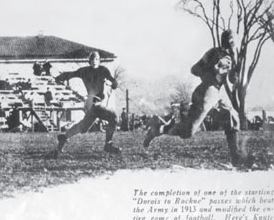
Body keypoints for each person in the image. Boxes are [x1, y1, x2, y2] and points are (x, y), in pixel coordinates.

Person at [144, 30, 246, 167]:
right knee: (188, 131)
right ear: (229, 41)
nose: (234, 45)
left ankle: (235, 156)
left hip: (215, 92)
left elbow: (230, 79)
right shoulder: (215, 54)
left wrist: (233, 72)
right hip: (206, 92)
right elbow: (195, 69)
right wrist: (211, 67)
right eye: (233, 41)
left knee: (231, 116)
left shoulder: (228, 56)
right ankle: (157, 129)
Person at [54, 51, 120, 154]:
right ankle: (108, 144)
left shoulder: (104, 70)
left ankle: (64, 137)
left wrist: (111, 83)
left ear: (99, 61)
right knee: (113, 117)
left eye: (96, 59)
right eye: (92, 59)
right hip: (92, 103)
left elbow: (115, 83)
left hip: (97, 102)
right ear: (89, 61)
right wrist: (59, 78)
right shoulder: (84, 71)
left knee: (84, 127)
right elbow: (71, 74)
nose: (94, 61)